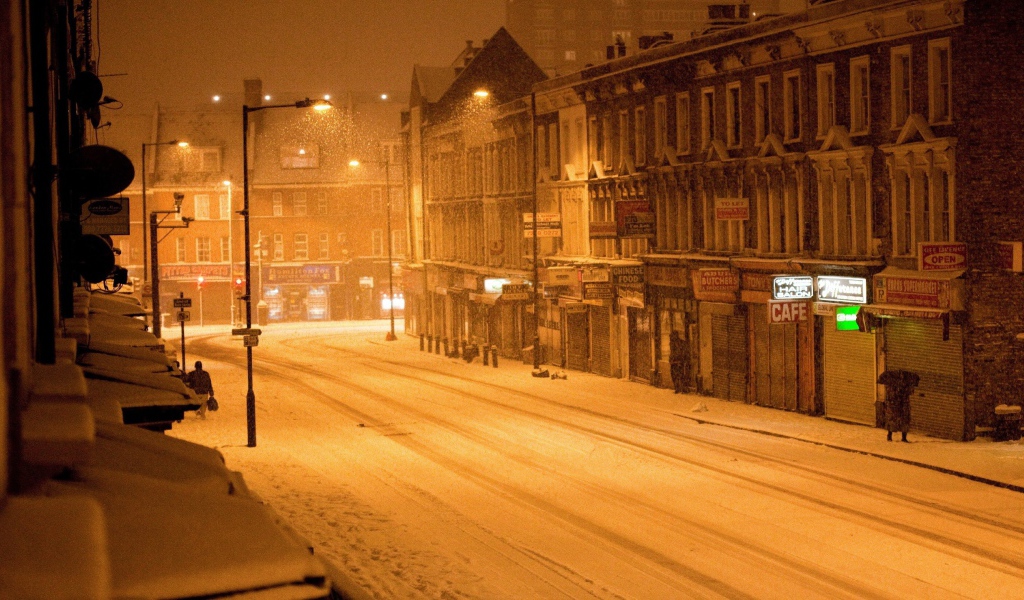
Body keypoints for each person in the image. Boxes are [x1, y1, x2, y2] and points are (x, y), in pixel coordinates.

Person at [878, 369, 919, 442]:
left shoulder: (892, 385)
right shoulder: (898, 386)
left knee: (896, 420)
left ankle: (893, 436)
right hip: (897, 405)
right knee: (899, 420)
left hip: (897, 405)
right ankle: (894, 436)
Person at [669, 330, 688, 394]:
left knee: (677, 375)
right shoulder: (674, 343)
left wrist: (674, 359)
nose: (670, 337)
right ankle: (680, 388)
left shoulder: (678, 343)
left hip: (677, 361)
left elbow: (677, 353)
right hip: (676, 361)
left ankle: (680, 388)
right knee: (678, 375)